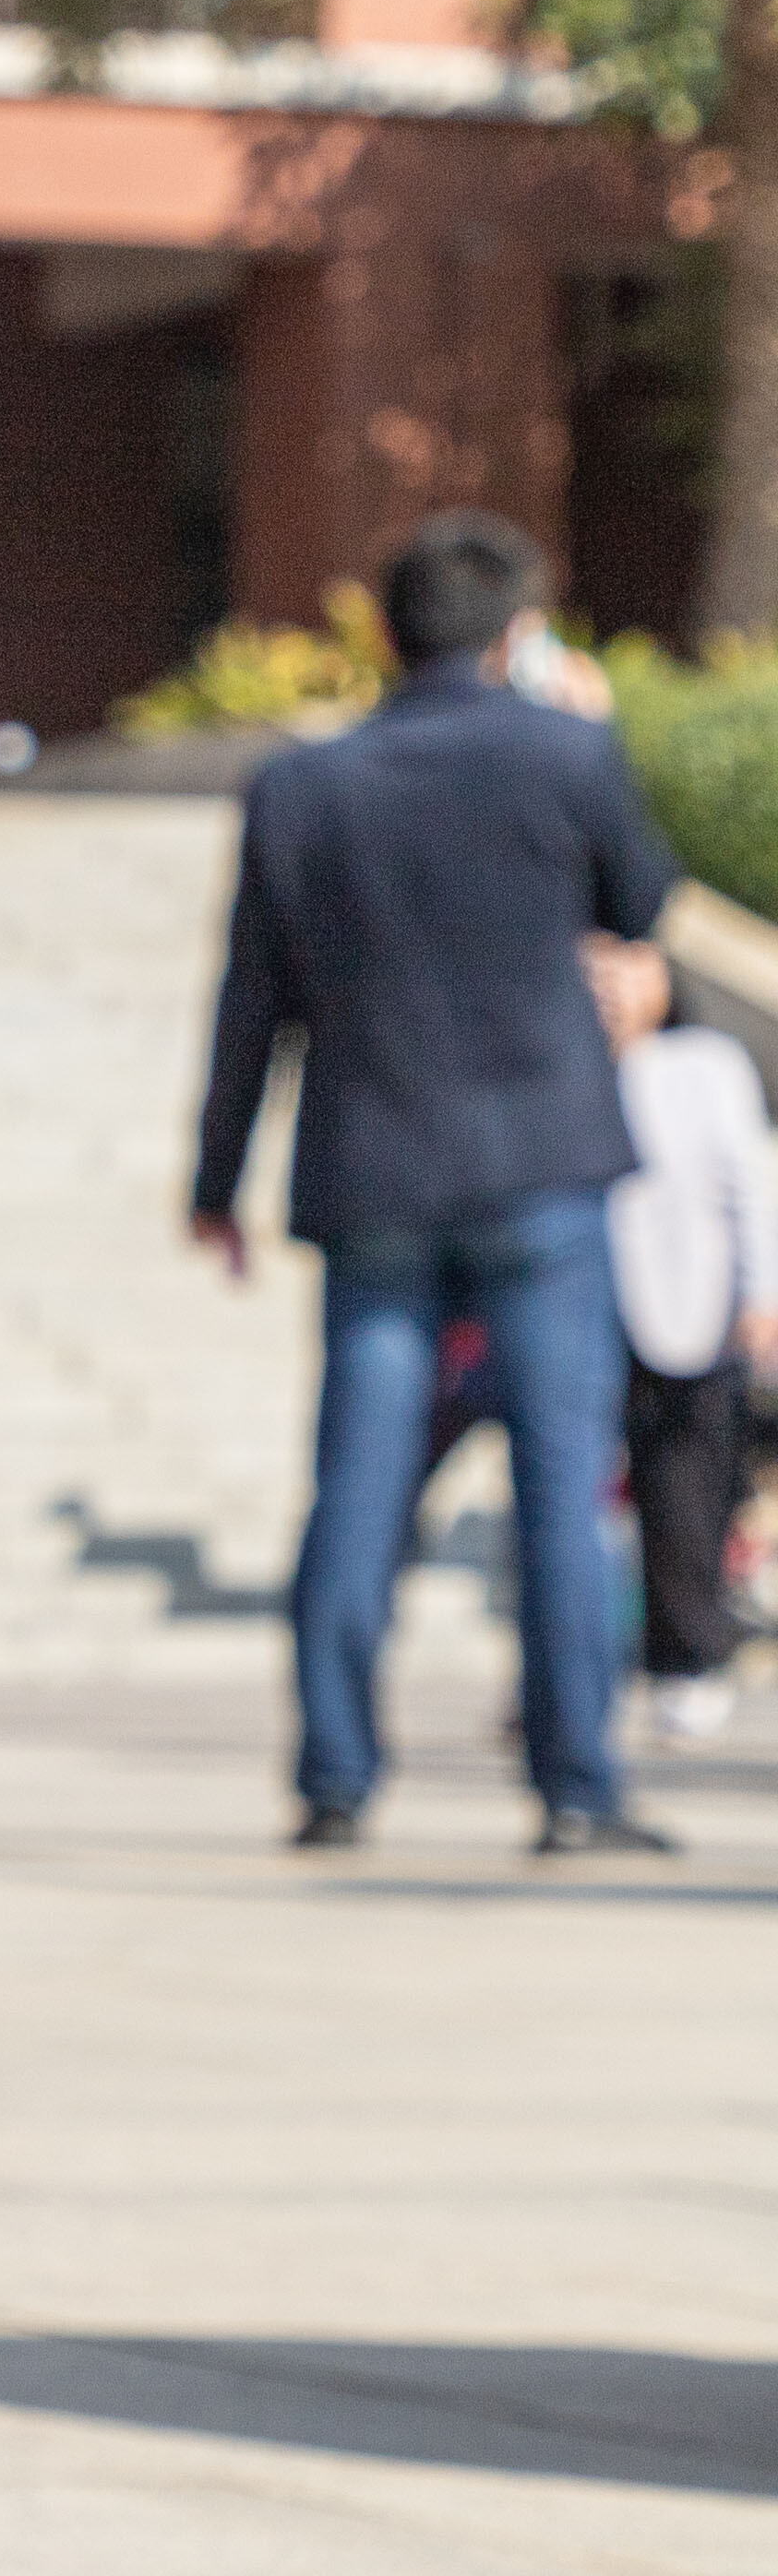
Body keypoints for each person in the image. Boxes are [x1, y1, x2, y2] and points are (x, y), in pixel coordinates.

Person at [193, 506, 681, 1854]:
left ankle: (336, 1777)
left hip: (374, 1171)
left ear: (387, 634)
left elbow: (254, 1000)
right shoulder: (568, 754)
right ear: (517, 634)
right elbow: (640, 906)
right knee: (559, 1482)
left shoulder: (303, 788)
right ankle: (576, 1786)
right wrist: (584, 722)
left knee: (357, 1481)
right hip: (541, 1172)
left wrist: (214, 1176)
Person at [592, 932, 774, 1741]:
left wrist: (760, 1292)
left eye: (625, 966)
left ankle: (687, 1659)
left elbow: (751, 1182)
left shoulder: (705, 1064)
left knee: (686, 1495)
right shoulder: (552, 1059)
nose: (609, 987)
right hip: (578, 1313)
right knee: (569, 1500)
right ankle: (566, 1667)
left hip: (688, 1311)